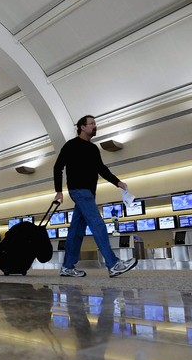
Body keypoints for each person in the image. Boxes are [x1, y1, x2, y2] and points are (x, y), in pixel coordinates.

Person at [53, 115, 138, 277]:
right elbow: (58, 167)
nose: (94, 126)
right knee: (98, 224)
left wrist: (117, 182)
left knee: (76, 230)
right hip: (79, 191)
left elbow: (101, 168)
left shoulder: (93, 149)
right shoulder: (70, 145)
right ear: (82, 127)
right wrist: (58, 190)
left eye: (95, 123)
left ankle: (67, 267)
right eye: (91, 124)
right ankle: (113, 264)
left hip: (89, 193)